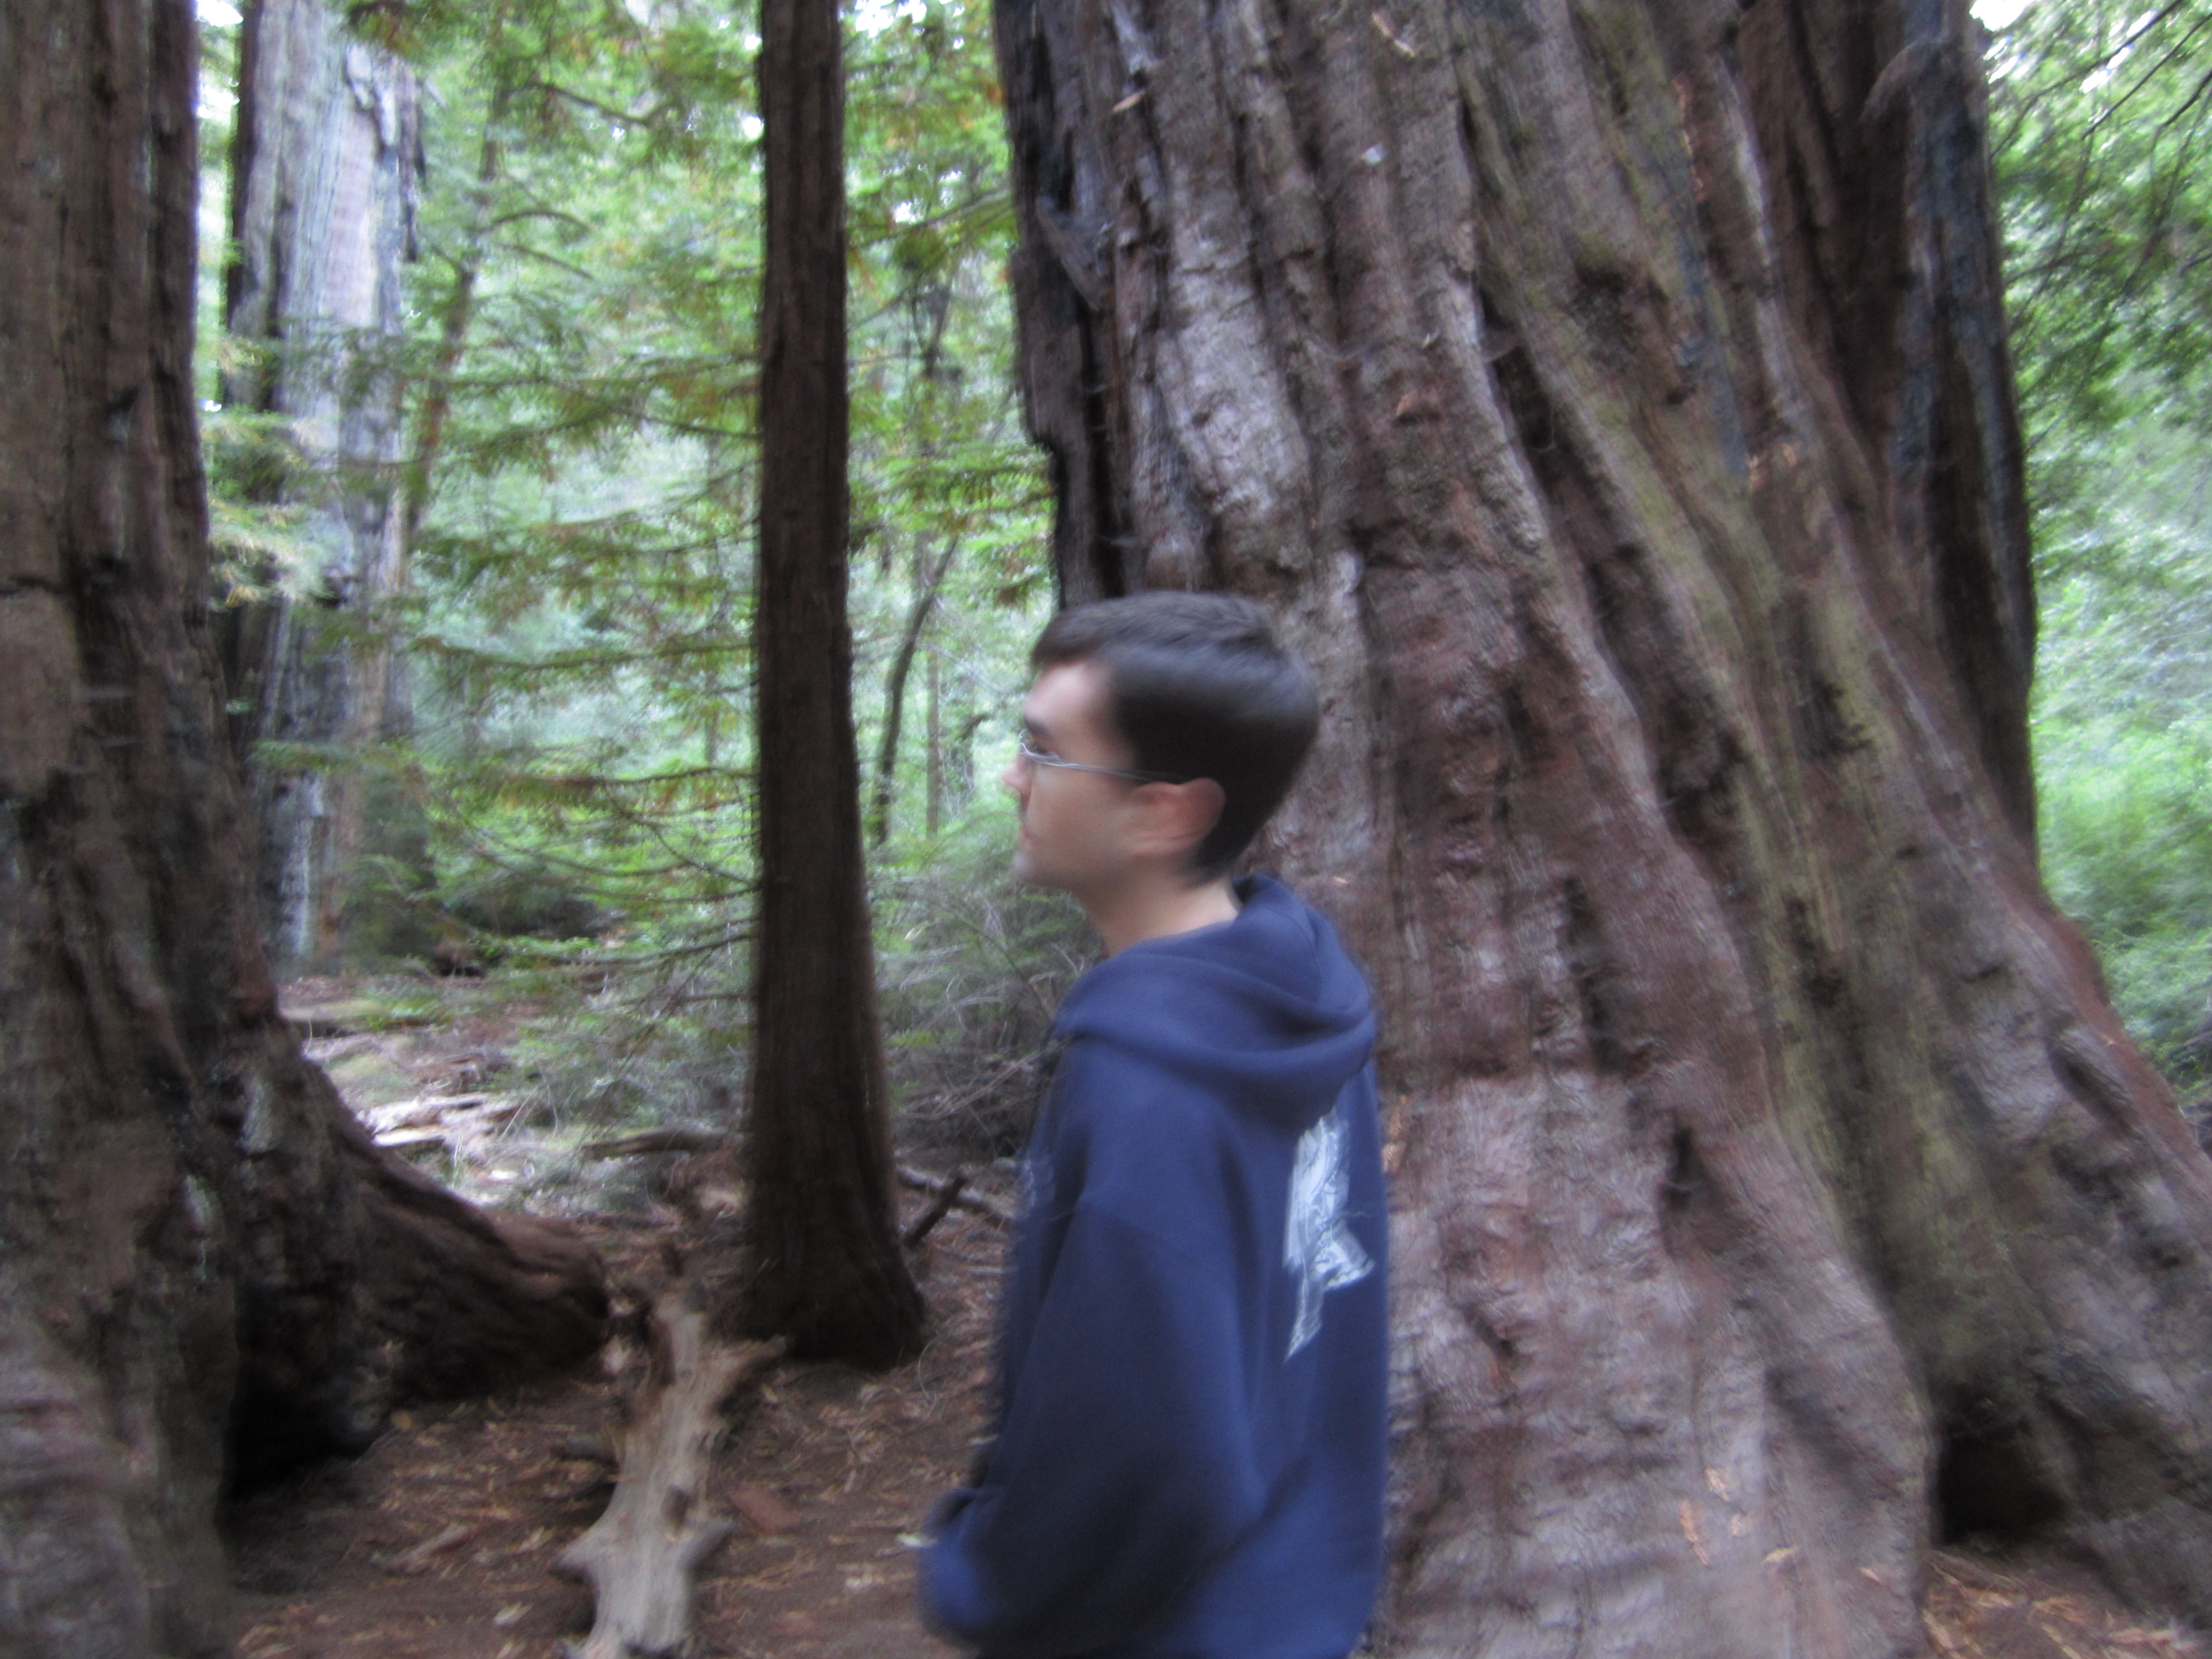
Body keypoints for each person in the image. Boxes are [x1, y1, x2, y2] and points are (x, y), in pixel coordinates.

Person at [918, 592, 1390, 1659]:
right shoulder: (1293, 1002)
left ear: (1165, 814)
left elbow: (1145, 1454)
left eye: (1045, 751)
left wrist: (981, 1576)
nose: (1013, 778)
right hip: (1291, 1602)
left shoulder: (1148, 1088)